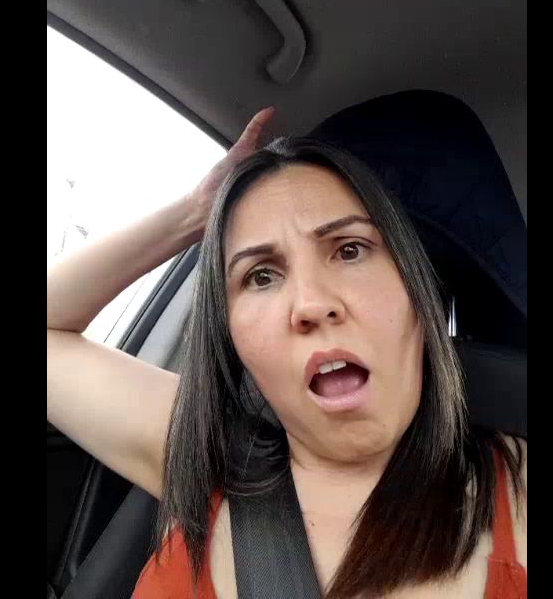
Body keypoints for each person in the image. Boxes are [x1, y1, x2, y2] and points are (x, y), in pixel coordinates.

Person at [47, 107, 526, 599]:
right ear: (232, 337)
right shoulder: (205, 450)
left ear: (418, 293)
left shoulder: (517, 486)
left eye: (350, 249)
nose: (312, 304)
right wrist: (194, 214)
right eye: (261, 276)